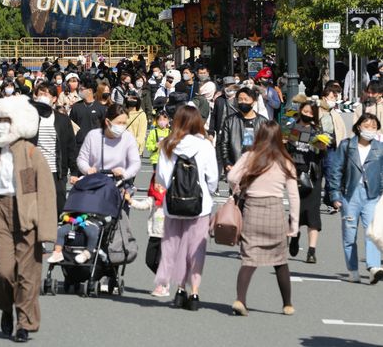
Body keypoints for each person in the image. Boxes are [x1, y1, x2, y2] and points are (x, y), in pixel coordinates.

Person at [0, 95, 57, 343]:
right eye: (0, 120)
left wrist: (48, 230)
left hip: (28, 217)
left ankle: (24, 324)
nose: (2, 125)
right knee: (3, 270)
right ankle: (6, 307)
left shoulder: (31, 152)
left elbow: (47, 193)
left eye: (8, 120)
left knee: (28, 276)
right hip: (0, 212)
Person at [227, 121, 300, 316]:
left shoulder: (249, 156)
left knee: (249, 258)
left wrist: (241, 185)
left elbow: (232, 176)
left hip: (252, 209)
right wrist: (294, 224)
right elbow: (293, 196)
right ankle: (287, 304)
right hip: (275, 211)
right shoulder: (285, 161)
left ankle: (240, 299)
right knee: (280, 260)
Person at [153, 106, 218, 310]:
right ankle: (194, 292)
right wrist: (208, 191)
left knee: (176, 246)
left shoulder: (167, 145)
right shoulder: (205, 145)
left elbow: (162, 177)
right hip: (199, 204)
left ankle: (179, 289)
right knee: (195, 248)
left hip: (173, 204)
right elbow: (213, 177)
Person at [328, 114, 383, 284]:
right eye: (367, 125)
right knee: (349, 235)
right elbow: (335, 170)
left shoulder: (379, 148)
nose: (370, 129)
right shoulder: (347, 146)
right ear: (359, 127)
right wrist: (335, 195)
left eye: (374, 126)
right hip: (349, 195)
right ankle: (352, 270)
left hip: (372, 195)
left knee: (371, 232)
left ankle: (374, 267)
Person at [30, 83, 79, 214]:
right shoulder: (28, 118)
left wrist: (74, 171)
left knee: (58, 208)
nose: (42, 97)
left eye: (46, 94)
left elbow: (71, 146)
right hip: (34, 170)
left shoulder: (62, 120)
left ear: (54, 99)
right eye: (40, 94)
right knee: (34, 209)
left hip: (56, 171)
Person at [285, 102, 325, 263]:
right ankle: (294, 236)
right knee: (296, 210)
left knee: (313, 213)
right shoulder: (290, 127)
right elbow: (284, 147)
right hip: (294, 172)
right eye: (305, 111)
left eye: (310, 112)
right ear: (300, 111)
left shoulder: (317, 131)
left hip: (312, 174)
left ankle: (311, 251)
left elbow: (323, 154)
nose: (307, 114)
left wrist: (322, 147)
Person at [77, 104, 141, 182]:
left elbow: (135, 163)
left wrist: (125, 174)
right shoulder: (93, 136)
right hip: (95, 181)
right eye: (119, 123)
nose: (121, 126)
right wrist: (87, 169)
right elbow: (82, 159)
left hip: (119, 182)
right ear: (107, 122)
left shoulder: (128, 137)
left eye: (124, 123)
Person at [126, 176, 167, 295]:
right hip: (154, 234)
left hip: (167, 235)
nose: (158, 186)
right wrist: (130, 200)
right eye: (156, 184)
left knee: (161, 261)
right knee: (149, 261)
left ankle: (162, 284)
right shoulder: (153, 199)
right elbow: (142, 205)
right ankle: (164, 280)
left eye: (161, 184)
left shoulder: (170, 199)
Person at [220, 87, 268, 173]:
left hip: (256, 167)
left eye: (246, 99)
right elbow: (224, 143)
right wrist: (227, 162)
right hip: (235, 165)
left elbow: (267, 145)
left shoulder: (263, 122)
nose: (243, 102)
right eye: (240, 99)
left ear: (254, 102)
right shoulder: (230, 121)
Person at [319, 87, 347, 214]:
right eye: (331, 97)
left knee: (331, 173)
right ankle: (328, 199)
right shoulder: (318, 111)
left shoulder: (334, 113)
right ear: (324, 97)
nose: (333, 100)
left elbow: (341, 130)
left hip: (333, 148)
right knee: (322, 174)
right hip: (320, 147)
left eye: (334, 98)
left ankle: (330, 200)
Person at [70, 80, 107, 152]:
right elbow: (71, 125)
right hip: (79, 146)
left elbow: (105, 127)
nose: (79, 91)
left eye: (82, 89)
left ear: (90, 90)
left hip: (96, 145)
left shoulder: (101, 108)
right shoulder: (76, 107)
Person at [125, 90, 148, 156]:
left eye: (134, 98)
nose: (132, 100)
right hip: (122, 148)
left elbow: (142, 134)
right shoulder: (122, 113)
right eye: (130, 98)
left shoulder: (141, 114)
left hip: (136, 149)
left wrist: (135, 146)